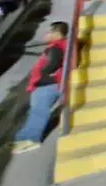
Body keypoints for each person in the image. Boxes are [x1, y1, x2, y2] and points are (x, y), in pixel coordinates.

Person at [11, 21, 69, 154]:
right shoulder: (60, 45)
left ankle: (31, 140)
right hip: (50, 84)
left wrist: (43, 74)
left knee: (38, 112)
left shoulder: (55, 48)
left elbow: (53, 64)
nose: (46, 34)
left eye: (49, 32)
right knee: (37, 111)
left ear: (57, 33)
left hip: (47, 85)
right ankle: (24, 138)